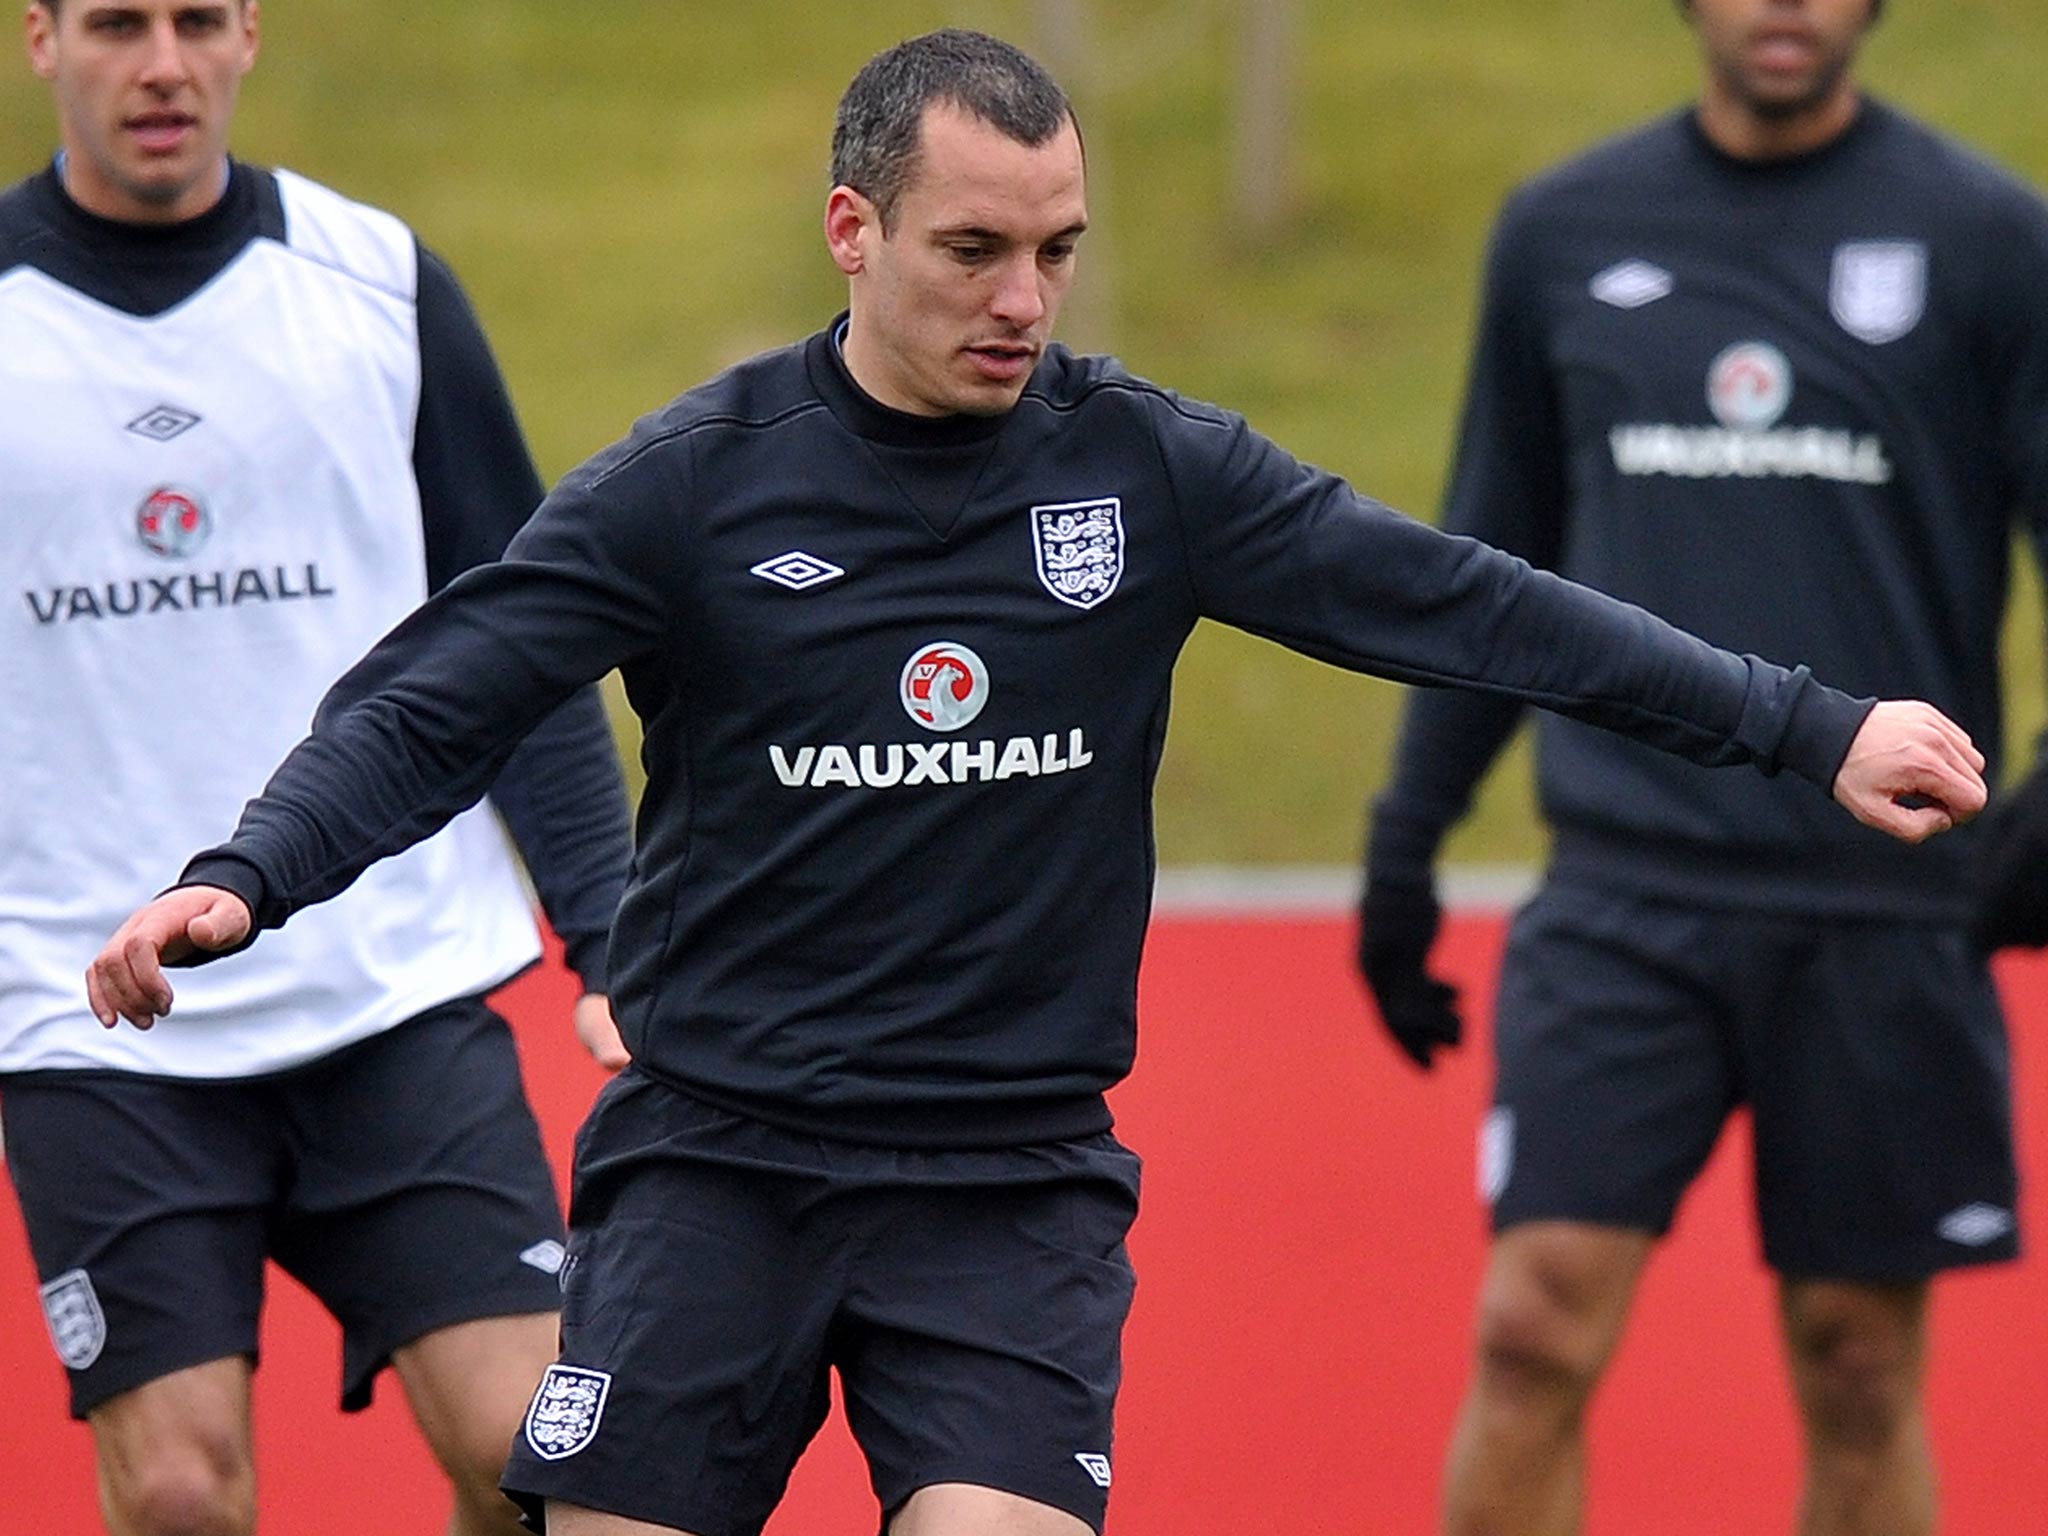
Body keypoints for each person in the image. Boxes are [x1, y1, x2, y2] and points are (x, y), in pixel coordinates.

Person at [86, 27, 1986, 1536]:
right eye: (973, 250)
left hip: (1006, 1187)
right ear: (854, 232)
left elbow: (1473, 607)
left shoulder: (1150, 475)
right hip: (716, 1161)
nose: (1022, 299)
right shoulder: (694, 486)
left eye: (1055, 252)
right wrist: (249, 872)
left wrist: (1811, 726)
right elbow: (439, 697)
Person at [1353, 1, 2048, 1531]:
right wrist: (1407, 840)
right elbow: (1490, 567)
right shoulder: (1562, 229)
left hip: (1880, 908)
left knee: (1859, 1361)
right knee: (1532, 1330)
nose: (1782, 6)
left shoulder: (1993, 237)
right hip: (1621, 888)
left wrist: (2030, 833)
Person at [2, 2, 634, 1533]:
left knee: (535, 1458)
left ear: (249, 36)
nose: (160, 62)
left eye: (196, 19)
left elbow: (520, 639)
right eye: (115, 23)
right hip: (92, 1014)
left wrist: (613, 938)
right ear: (39, 40)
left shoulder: (377, 284)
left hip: (388, 984)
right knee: (177, 1490)